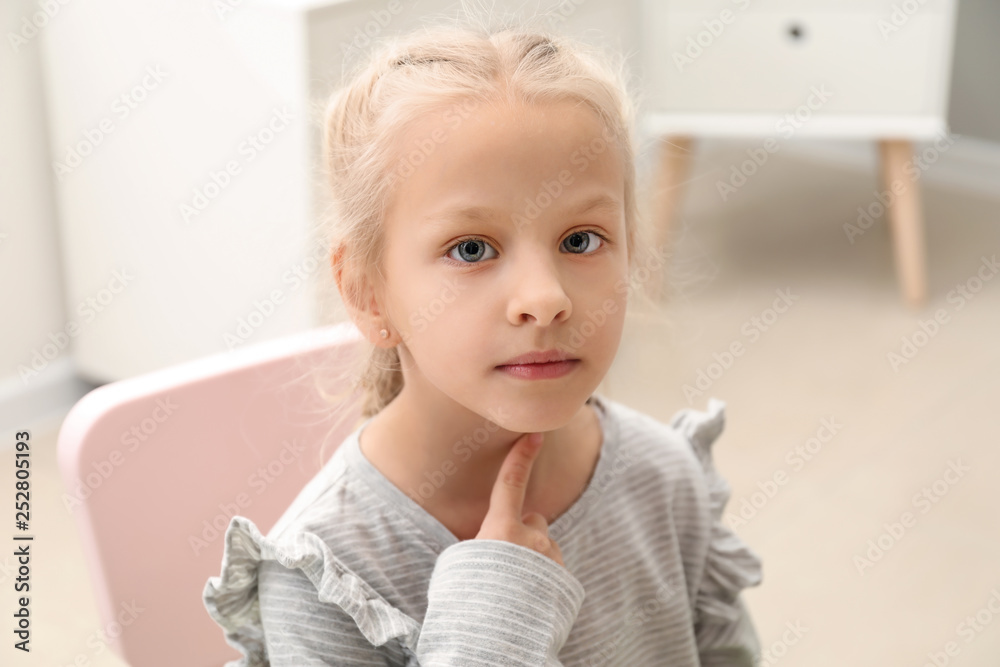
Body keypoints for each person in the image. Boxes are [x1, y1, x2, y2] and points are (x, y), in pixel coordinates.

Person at [203, 13, 763, 667]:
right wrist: (496, 616)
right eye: (472, 248)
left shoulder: (666, 476)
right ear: (366, 289)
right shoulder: (323, 576)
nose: (544, 297)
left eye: (580, 239)